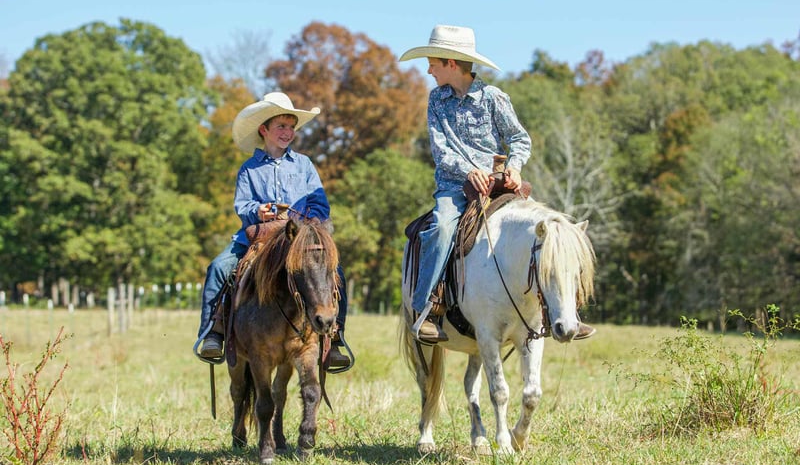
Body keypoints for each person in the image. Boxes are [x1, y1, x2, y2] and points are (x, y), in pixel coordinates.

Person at [399, 24, 596, 344]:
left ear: (451, 63)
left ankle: (567, 313)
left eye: (433, 63)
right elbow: (440, 150)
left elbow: (519, 139)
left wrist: (515, 167)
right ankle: (426, 309)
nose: (429, 69)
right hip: (454, 187)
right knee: (442, 228)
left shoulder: (493, 97)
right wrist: (469, 171)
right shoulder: (436, 100)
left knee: (549, 236)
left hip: (498, 186)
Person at [194, 92, 351, 368]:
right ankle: (212, 332)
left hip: (298, 239)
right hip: (260, 237)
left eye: (291, 127)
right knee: (219, 268)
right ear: (263, 130)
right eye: (281, 126)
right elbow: (242, 205)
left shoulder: (304, 165)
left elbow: (320, 205)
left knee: (336, 273)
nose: (288, 132)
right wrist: (259, 211)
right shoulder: (249, 169)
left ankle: (335, 335)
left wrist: (302, 220)